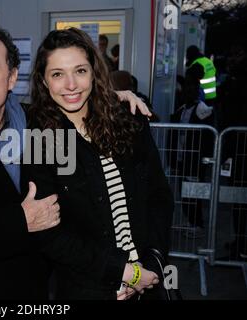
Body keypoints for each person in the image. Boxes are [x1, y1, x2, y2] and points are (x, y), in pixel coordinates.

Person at [0, 23, 152, 300]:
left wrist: (112, 98)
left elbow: (73, 101)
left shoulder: (36, 123)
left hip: (37, 290)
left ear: (11, 78)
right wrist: (20, 220)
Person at [24, 28, 174, 300]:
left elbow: (159, 197)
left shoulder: (129, 120)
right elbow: (52, 235)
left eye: (80, 71)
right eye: (57, 74)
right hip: (89, 287)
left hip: (150, 282)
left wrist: (151, 264)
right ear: (44, 82)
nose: (71, 85)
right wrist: (123, 272)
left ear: (94, 72)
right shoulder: (43, 140)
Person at [170, 74, 215, 238]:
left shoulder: (202, 109)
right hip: (183, 157)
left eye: (191, 89)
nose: (187, 92)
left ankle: (198, 224)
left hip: (195, 159)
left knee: (194, 191)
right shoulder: (181, 110)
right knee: (184, 191)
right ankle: (191, 221)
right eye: (185, 88)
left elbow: (208, 137)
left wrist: (205, 158)